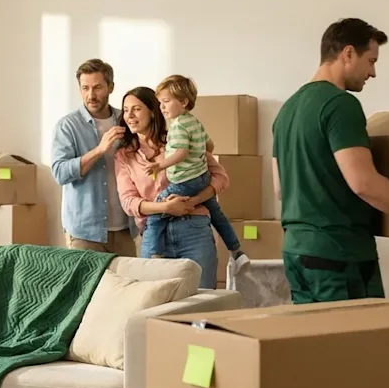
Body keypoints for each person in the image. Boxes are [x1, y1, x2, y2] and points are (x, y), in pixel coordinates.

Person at [272, 18, 389, 303]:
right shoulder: (340, 104)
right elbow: (364, 183)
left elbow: (280, 190)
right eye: (371, 60)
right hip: (338, 255)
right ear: (347, 53)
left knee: (314, 344)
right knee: (354, 345)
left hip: (297, 252)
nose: (373, 72)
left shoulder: (287, 110)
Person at [115, 86, 231, 288]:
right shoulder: (124, 155)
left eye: (136, 109)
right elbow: (129, 202)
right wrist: (166, 208)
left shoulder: (179, 138)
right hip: (154, 235)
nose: (129, 116)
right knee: (155, 305)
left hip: (193, 229)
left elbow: (221, 177)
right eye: (125, 110)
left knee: (201, 301)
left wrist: (193, 201)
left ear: (153, 111)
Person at [144, 75, 248, 271]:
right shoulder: (194, 122)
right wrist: (199, 152)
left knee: (158, 208)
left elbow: (181, 153)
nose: (162, 107)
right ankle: (237, 252)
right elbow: (209, 144)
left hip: (184, 182)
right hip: (202, 178)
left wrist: (161, 165)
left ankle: (154, 254)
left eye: (166, 102)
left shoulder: (178, 125)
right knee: (217, 215)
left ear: (183, 101)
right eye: (160, 103)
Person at [50, 59, 138, 254]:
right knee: (89, 286)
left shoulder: (126, 120)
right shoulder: (67, 126)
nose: (91, 95)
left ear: (111, 87)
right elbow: (60, 173)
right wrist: (99, 150)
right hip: (85, 233)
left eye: (97, 87)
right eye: (85, 88)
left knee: (129, 285)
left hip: (125, 228)